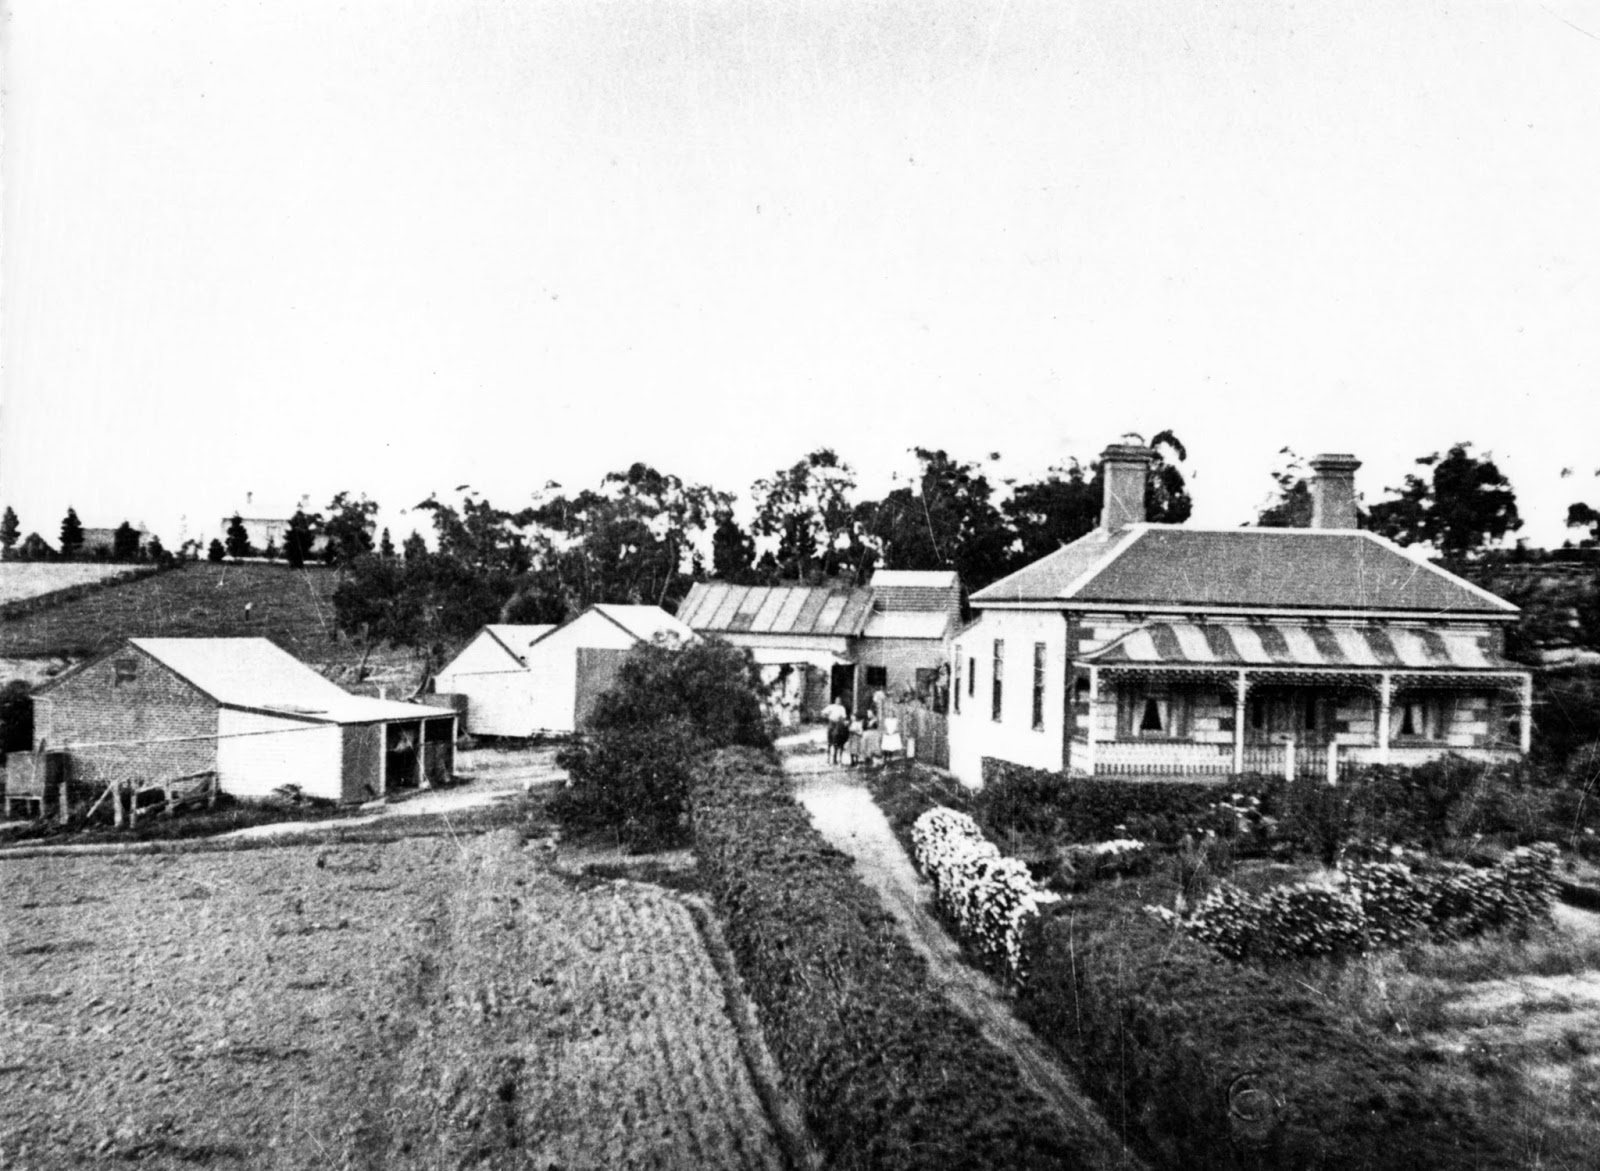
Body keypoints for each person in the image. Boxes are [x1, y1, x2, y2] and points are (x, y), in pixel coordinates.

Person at [822, 696, 849, 764]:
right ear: (835, 700)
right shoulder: (831, 706)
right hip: (831, 722)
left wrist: (843, 721)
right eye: (837, 700)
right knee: (829, 733)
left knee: (838, 734)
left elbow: (844, 717)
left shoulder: (842, 708)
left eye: (839, 700)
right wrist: (826, 715)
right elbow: (823, 712)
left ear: (841, 701)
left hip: (838, 722)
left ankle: (835, 757)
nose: (838, 701)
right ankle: (828, 756)